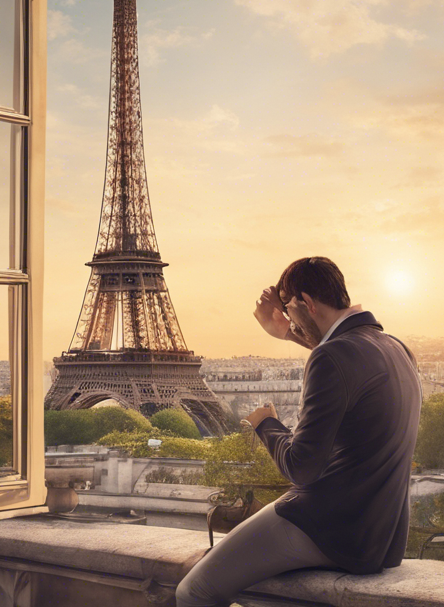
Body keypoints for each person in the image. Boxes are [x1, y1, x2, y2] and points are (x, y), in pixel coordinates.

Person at [174, 256, 421, 607]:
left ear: (307, 303)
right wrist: (288, 330)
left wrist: (265, 423)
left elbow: (302, 468)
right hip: (381, 538)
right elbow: (344, 362)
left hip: (328, 527)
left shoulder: (330, 359)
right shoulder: (395, 347)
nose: (290, 321)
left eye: (291, 312)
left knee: (194, 591)